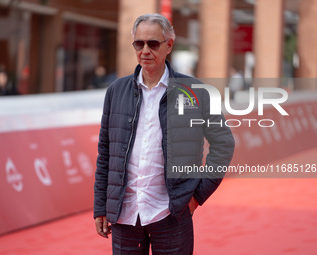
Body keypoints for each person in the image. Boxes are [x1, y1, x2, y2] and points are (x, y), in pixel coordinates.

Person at [93, 13, 235, 255]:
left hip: (171, 215)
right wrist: (100, 207)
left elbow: (223, 143)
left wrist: (197, 196)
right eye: (139, 43)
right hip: (125, 215)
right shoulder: (116, 91)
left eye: (153, 43)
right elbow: (105, 151)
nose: (145, 50)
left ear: (169, 45)